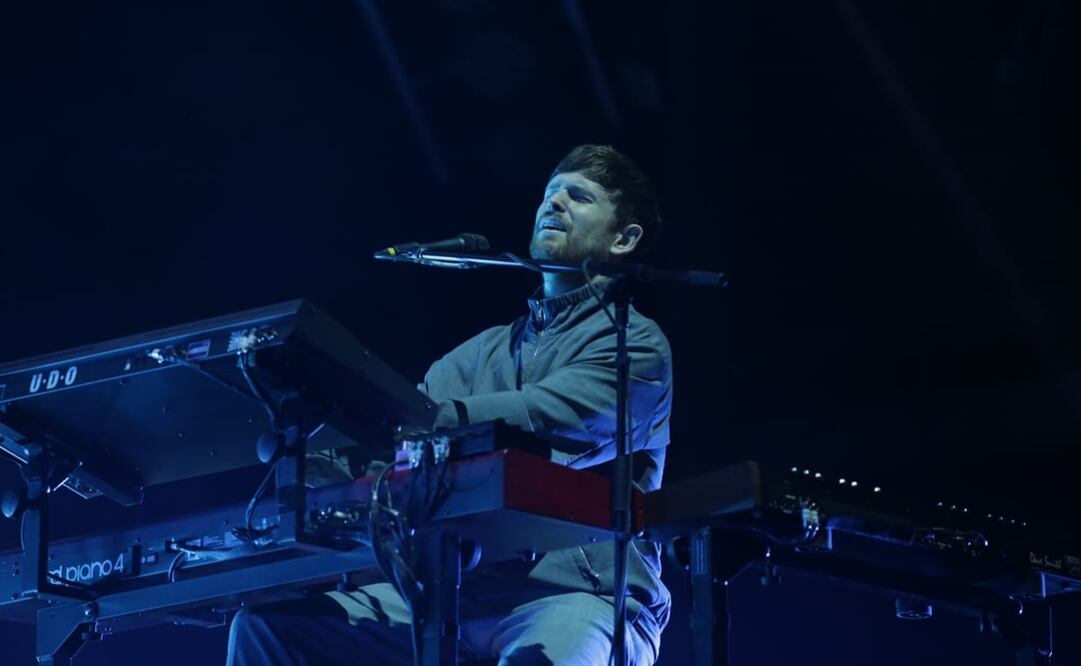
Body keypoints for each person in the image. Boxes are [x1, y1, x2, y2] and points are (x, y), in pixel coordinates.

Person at [226, 144, 673, 665]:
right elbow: (398, 459)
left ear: (624, 239)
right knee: (266, 630)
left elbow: (547, 419)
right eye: (551, 194)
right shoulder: (468, 358)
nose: (556, 205)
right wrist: (307, 476)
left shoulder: (635, 345)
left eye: (580, 197)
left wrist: (429, 421)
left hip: (575, 596)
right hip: (452, 593)